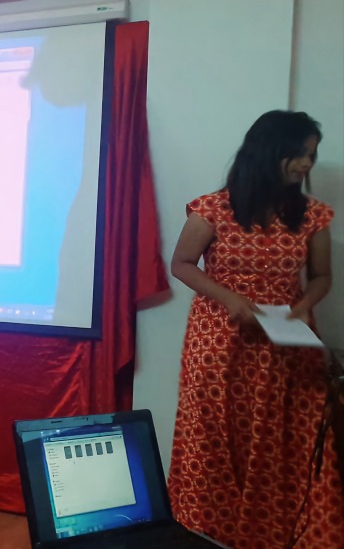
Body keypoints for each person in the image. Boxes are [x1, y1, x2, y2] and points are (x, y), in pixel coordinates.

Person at [167, 110, 341, 548]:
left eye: (312, 155)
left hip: (286, 340)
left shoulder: (312, 215)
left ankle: (273, 533)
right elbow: (182, 264)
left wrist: (304, 305)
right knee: (217, 435)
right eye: (299, 153)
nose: (306, 164)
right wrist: (229, 298)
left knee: (283, 437)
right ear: (268, 151)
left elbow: (322, 277)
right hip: (220, 337)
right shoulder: (213, 208)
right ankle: (212, 530)